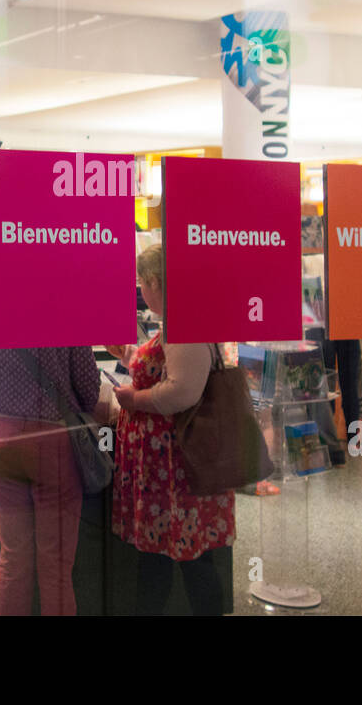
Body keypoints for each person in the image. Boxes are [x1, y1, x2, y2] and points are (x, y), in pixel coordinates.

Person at [108, 244, 234, 615]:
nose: (139, 291)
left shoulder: (183, 322)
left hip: (177, 467)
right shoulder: (180, 319)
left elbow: (182, 391)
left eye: (140, 283)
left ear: (154, 281)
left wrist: (134, 400)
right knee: (172, 557)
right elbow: (172, 370)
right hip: (171, 469)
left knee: (185, 560)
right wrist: (129, 356)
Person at [0, 305, 100, 615]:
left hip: (5, 440)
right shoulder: (69, 311)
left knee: (12, 559)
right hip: (53, 444)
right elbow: (89, 392)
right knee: (55, 567)